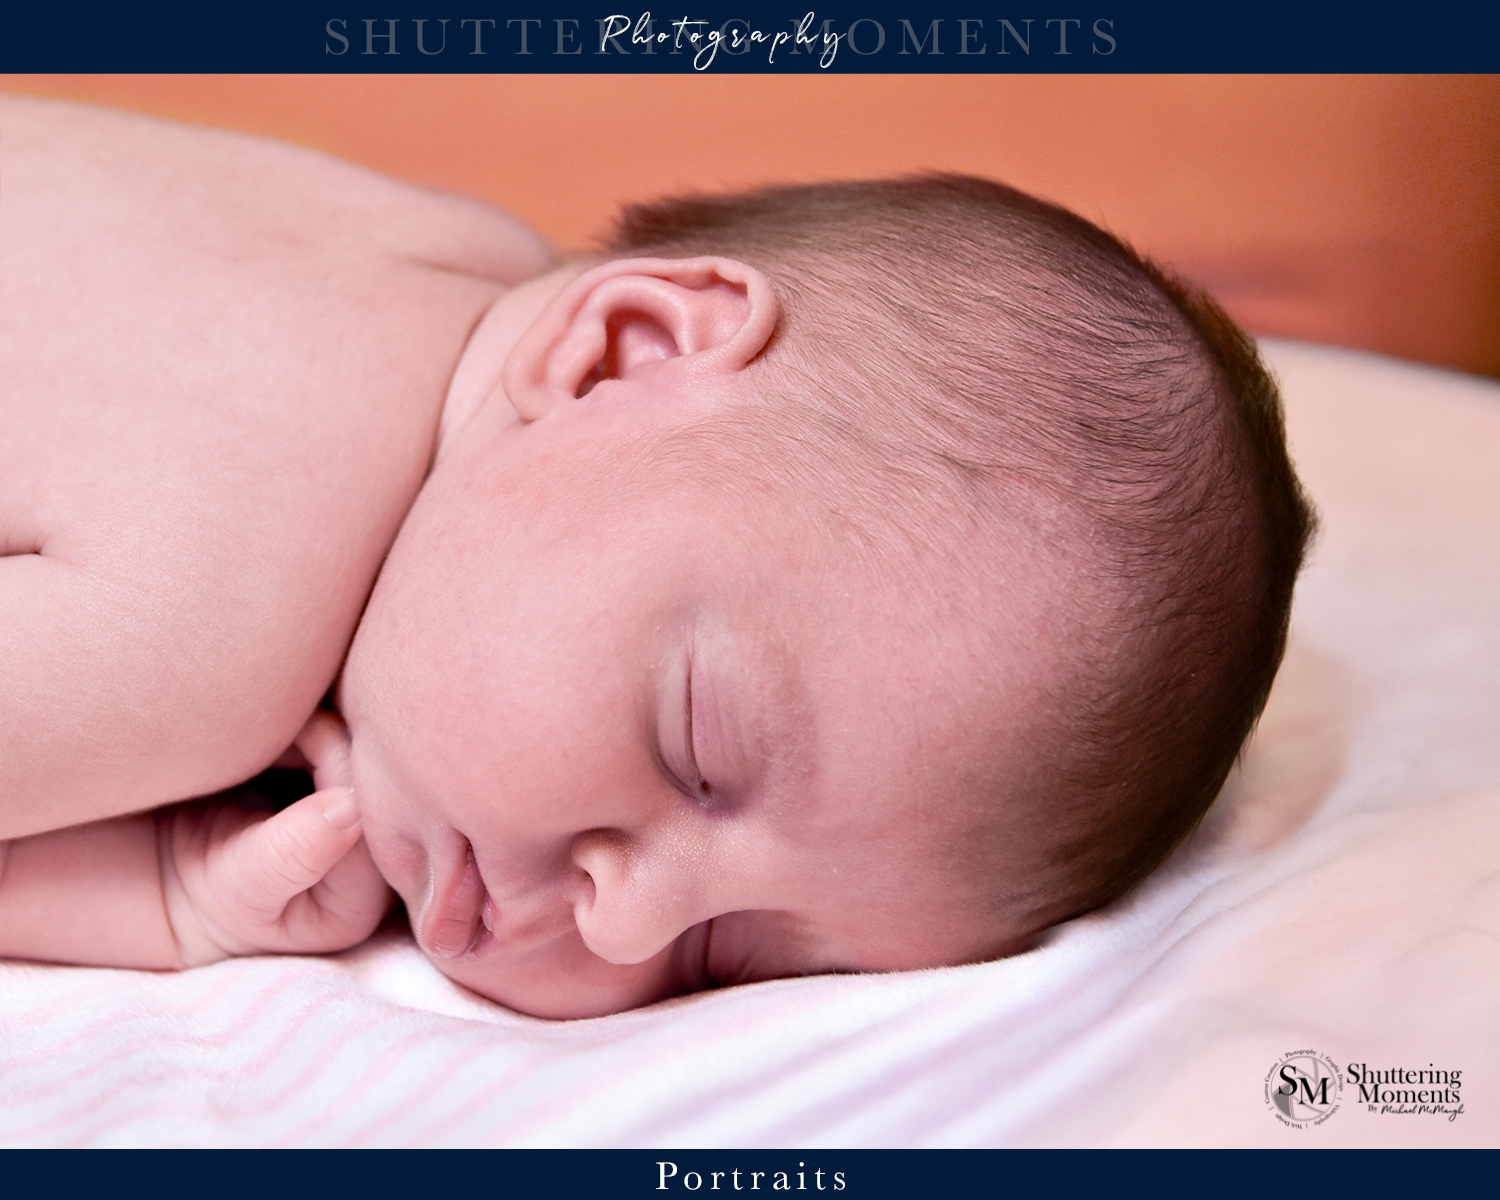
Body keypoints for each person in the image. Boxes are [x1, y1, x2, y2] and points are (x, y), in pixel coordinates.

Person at [0, 96, 1313, 1019]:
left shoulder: (444, 264)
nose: (623, 924)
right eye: (694, 741)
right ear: (620, 355)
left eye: (723, 962)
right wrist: (152, 896)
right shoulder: (208, 632)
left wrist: (178, 880)